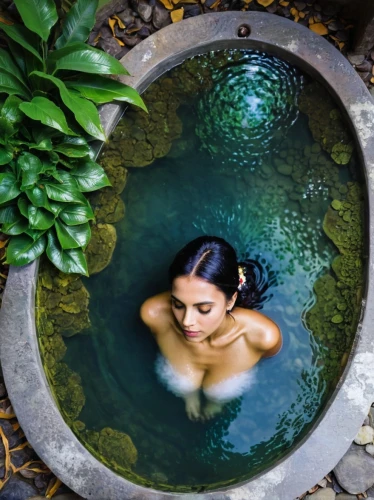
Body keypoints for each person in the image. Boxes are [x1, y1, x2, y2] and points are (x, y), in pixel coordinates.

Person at [140, 236, 282, 421]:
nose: (187, 322)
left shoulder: (263, 338)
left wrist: (218, 402)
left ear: (230, 301)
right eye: (178, 304)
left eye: (204, 309)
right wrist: (188, 396)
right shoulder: (154, 315)